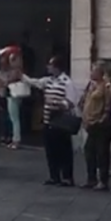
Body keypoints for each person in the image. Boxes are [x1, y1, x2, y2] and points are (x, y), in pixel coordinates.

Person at [22, 55, 78, 186]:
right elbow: (34, 82)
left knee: (64, 150)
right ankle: (54, 175)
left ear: (57, 67)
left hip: (61, 120)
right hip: (48, 120)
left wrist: (60, 104)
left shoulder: (67, 82)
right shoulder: (48, 81)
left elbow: (71, 101)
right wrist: (22, 75)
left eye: (50, 65)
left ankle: (67, 177)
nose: (48, 67)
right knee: (51, 150)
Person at [79, 62, 111, 190]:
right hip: (90, 122)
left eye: (94, 71)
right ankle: (91, 178)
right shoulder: (91, 85)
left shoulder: (105, 86)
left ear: (101, 72)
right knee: (89, 150)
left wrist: (103, 118)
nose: (91, 73)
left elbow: (108, 103)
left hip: (100, 124)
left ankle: (103, 180)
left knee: (101, 152)